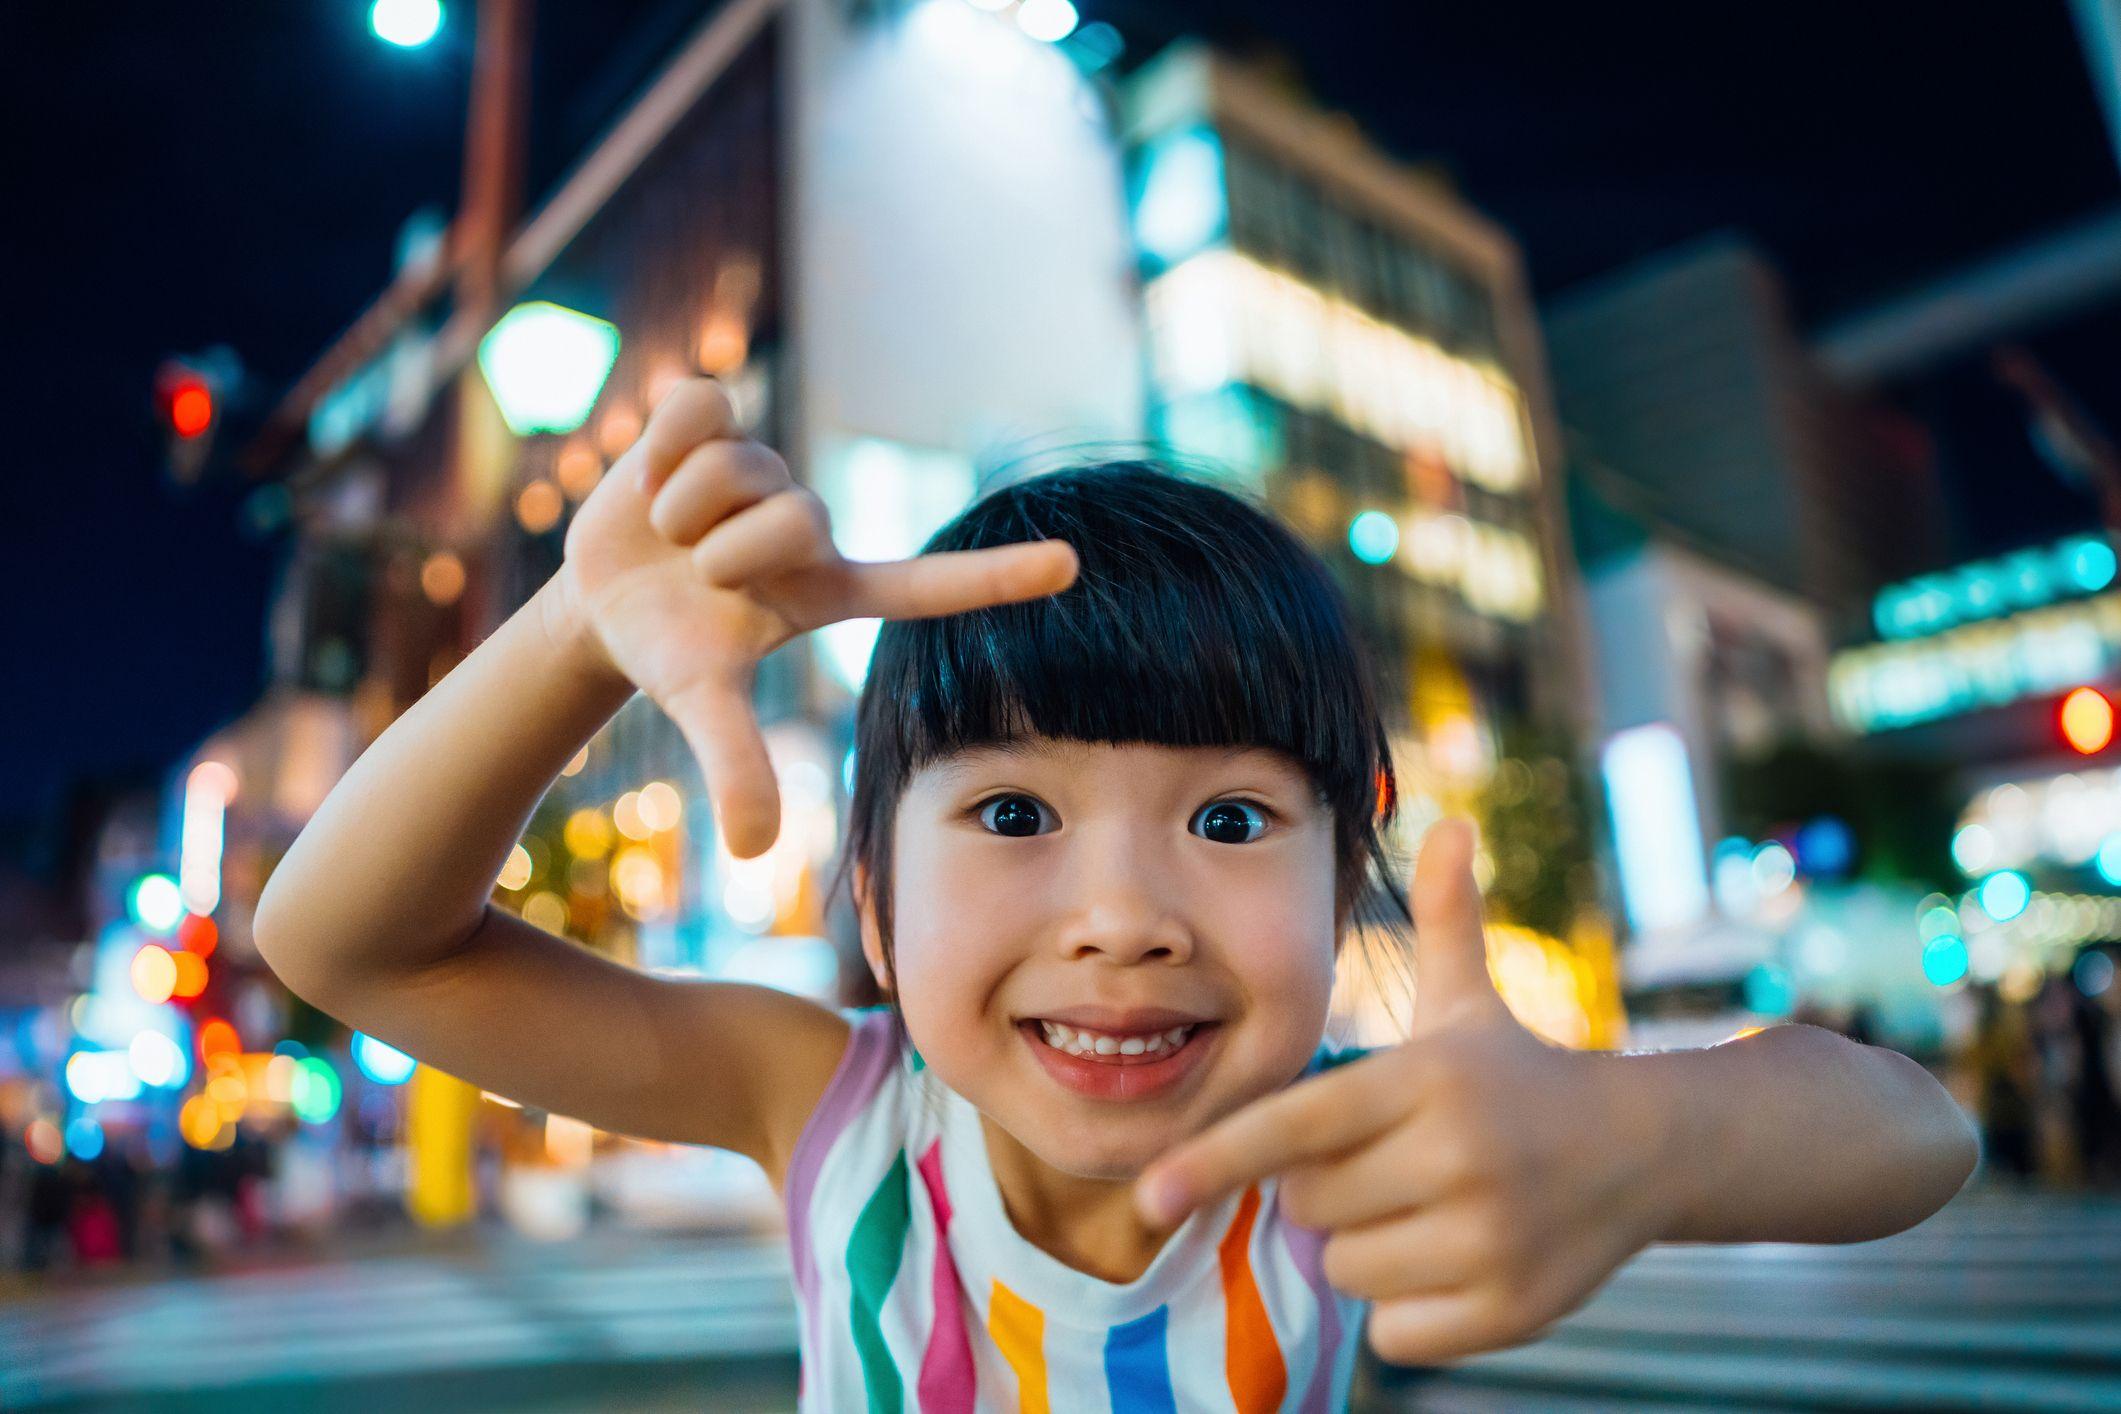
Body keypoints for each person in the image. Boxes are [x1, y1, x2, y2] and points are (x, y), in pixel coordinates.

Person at [254, 381, 1979, 1410]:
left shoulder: (1356, 1154)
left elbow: (1913, 1137)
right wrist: (567, 639)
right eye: (1014, 807)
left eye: (1230, 820)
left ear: (1344, 869)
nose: (1123, 913)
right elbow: (338, 938)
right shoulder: (829, 1114)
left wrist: (1638, 1135)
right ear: (871, 889)